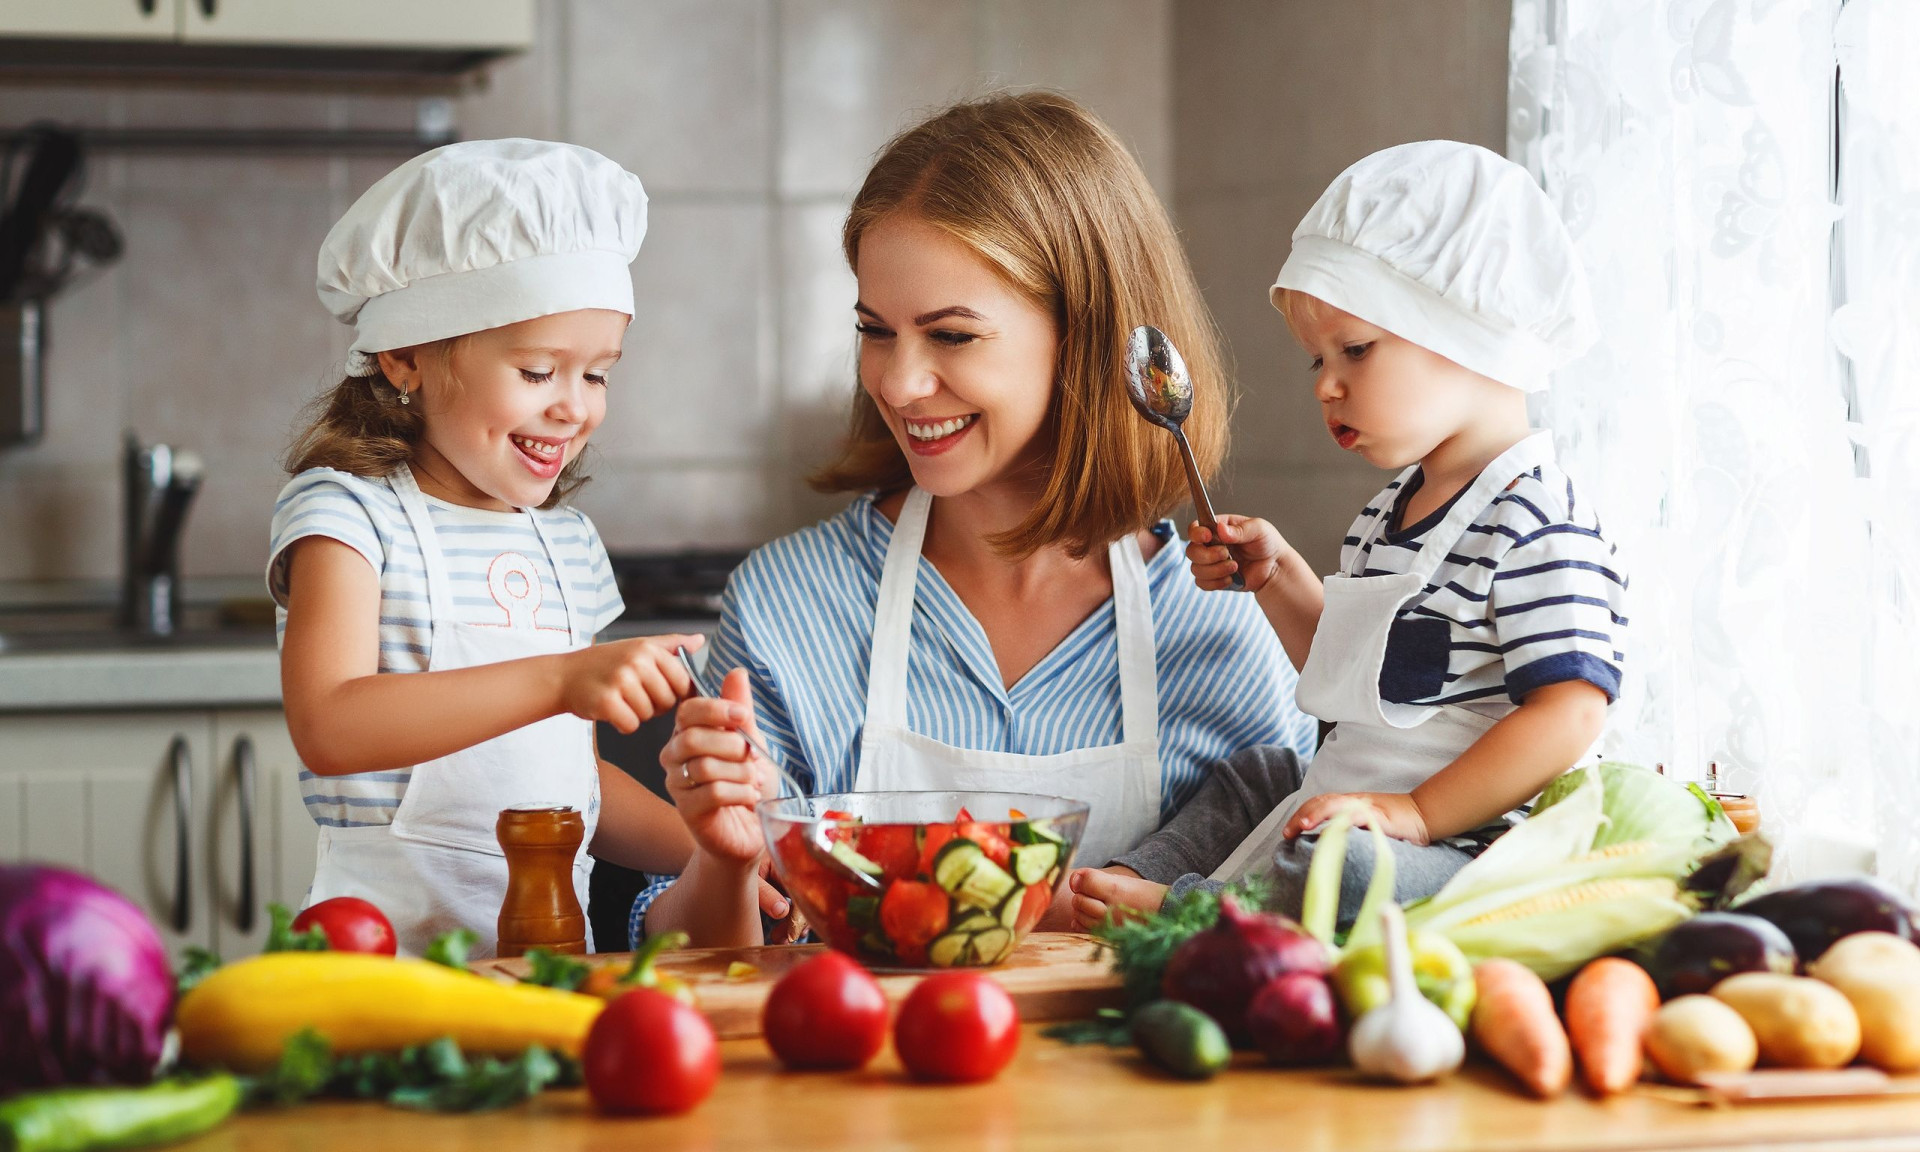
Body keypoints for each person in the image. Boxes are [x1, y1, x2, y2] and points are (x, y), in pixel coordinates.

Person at [637, 92, 1320, 948]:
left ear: (1087, 336)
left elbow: (1292, 928)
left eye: (951, 335)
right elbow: (691, 963)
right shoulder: (788, 604)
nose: (898, 382)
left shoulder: (1227, 622)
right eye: (875, 330)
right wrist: (724, 864)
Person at [1070, 140, 1627, 928]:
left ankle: (1188, 915)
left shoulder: (1539, 520)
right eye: (1317, 363)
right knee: (1261, 775)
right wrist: (1278, 576)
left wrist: (1418, 815)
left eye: (1356, 351)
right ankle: (1129, 880)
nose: (1328, 385)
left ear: (1466, 332)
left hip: (1469, 845)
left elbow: (1571, 712)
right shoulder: (1391, 510)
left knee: (1348, 864)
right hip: (1371, 796)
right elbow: (1356, 678)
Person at [269, 139, 772, 957]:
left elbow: (570, 783)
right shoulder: (348, 515)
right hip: (380, 964)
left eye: (597, 374)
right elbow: (330, 724)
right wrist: (563, 679)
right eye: (540, 372)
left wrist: (721, 849)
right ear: (405, 358)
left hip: (543, 966)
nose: (574, 409)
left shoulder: (563, 543)